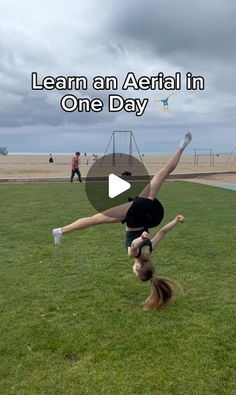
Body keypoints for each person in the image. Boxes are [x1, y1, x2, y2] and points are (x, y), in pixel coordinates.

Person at [53, 132, 192, 311]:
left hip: (148, 212)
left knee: (162, 174)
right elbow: (134, 245)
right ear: (137, 269)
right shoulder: (133, 255)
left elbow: (163, 232)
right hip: (134, 215)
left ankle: (181, 146)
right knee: (95, 219)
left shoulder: (151, 250)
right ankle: (60, 231)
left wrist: (175, 220)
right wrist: (141, 238)